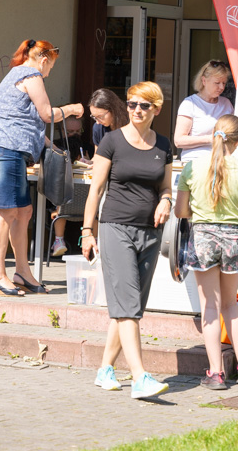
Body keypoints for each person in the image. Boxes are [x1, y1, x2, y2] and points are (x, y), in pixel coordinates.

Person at [81, 81, 173, 399]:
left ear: (156, 109)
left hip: (150, 232)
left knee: (127, 307)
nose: (135, 110)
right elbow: (95, 190)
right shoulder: (111, 142)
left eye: (143, 105)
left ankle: (105, 369)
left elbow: (165, 187)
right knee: (128, 307)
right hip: (115, 228)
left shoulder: (163, 145)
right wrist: (87, 231)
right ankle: (139, 378)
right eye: (132, 104)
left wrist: (166, 201)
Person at [0, 39, 84, 296]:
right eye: (51, 66)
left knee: (24, 212)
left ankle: (22, 272)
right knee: (6, 212)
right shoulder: (31, 73)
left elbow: (29, 124)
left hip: (12, 150)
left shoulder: (17, 75)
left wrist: (53, 149)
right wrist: (71, 109)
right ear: (44, 59)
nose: (49, 73)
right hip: (6, 149)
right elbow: (47, 114)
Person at [175, 115, 238, 389]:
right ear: (237, 142)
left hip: (202, 238)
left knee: (209, 307)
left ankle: (215, 373)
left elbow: (179, 211)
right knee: (230, 305)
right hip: (233, 239)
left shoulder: (192, 168)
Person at [49, 115, 95, 257]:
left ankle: (96, 243)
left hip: (86, 199)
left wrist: (89, 162)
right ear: (61, 130)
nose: (74, 135)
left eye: (77, 131)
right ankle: (59, 240)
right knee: (60, 202)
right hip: (62, 198)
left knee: (98, 211)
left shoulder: (88, 147)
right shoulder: (54, 147)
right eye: (70, 131)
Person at [174, 60, 234, 161]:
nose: (222, 87)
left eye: (224, 83)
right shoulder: (190, 104)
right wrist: (208, 139)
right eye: (217, 83)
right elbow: (179, 141)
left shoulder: (226, 104)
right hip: (194, 161)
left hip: (220, 162)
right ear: (204, 81)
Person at [89, 88, 130, 155]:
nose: (97, 122)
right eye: (94, 117)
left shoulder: (130, 126)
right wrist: (89, 162)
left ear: (113, 110)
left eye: (100, 117)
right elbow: (98, 157)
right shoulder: (98, 128)